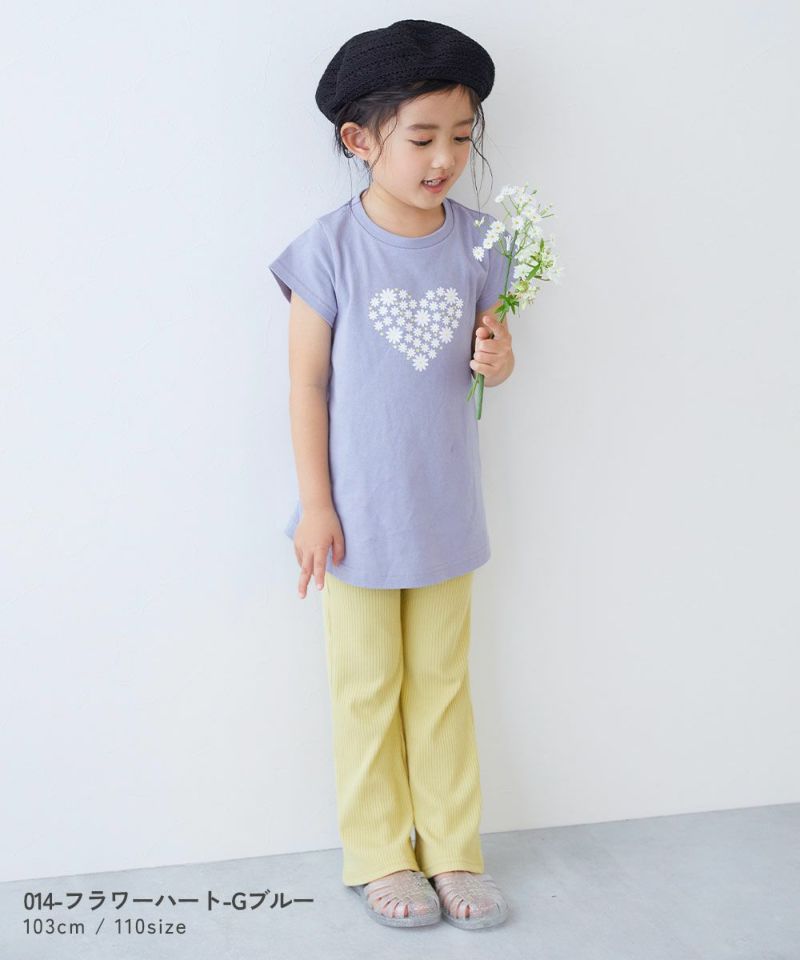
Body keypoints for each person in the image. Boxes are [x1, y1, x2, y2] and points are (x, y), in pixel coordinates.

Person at [268, 19, 515, 930]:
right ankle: (380, 852)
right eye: (422, 138)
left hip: (446, 508)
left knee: (443, 685)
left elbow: (492, 359)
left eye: (462, 135)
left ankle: (453, 848)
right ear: (360, 139)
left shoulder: (483, 244)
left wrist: (498, 357)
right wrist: (316, 506)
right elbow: (306, 384)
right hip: (357, 519)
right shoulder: (328, 250)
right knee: (368, 689)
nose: (445, 158)